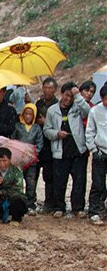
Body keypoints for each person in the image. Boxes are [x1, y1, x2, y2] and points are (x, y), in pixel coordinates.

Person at [44, 82, 91, 218]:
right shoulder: (52, 110)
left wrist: (78, 96)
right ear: (61, 94)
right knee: (59, 181)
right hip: (60, 151)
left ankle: (78, 207)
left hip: (78, 151)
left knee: (79, 181)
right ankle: (59, 207)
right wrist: (57, 134)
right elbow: (46, 130)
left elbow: (88, 112)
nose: (68, 99)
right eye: (67, 95)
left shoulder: (78, 107)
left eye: (71, 96)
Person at [11, 103, 43, 214]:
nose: (28, 116)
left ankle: (30, 203)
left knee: (31, 182)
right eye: (26, 113)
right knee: (18, 182)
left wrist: (33, 154)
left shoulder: (37, 128)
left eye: (30, 114)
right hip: (19, 160)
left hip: (32, 160)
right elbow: (13, 141)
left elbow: (39, 143)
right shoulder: (18, 126)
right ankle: (19, 203)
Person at [0, 147, 27, 223]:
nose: (2, 163)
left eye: (4, 161)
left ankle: (16, 218)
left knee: (17, 198)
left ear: (10, 160)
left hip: (12, 198)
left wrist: (1, 191)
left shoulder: (16, 171)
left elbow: (18, 189)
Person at [35, 77, 59, 213]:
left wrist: (46, 122)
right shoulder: (38, 103)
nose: (47, 90)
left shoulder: (58, 105)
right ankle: (30, 201)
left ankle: (49, 202)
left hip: (51, 144)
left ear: (55, 89)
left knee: (49, 176)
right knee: (33, 174)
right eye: (45, 87)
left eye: (50, 88)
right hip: (39, 143)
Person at [85, 84, 107, 225]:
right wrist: (93, 149)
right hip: (100, 152)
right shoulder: (95, 111)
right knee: (98, 183)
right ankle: (93, 212)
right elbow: (90, 131)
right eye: (105, 99)